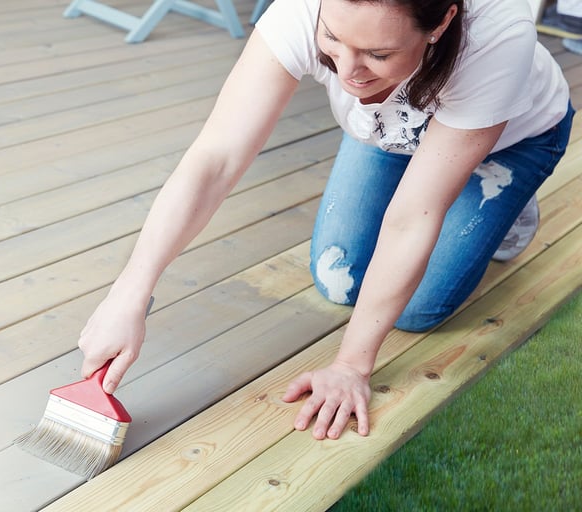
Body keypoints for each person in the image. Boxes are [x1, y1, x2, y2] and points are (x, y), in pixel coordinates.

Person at [78, 0, 573, 441]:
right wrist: (130, 292)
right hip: (386, 128)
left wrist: (352, 364)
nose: (348, 73)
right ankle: (410, 138)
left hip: (509, 140)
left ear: (442, 21)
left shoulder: (497, 36)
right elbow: (216, 159)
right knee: (339, 281)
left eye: (378, 53)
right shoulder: (300, 11)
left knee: (416, 310)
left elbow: (412, 217)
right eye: (333, 39)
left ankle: (504, 204)